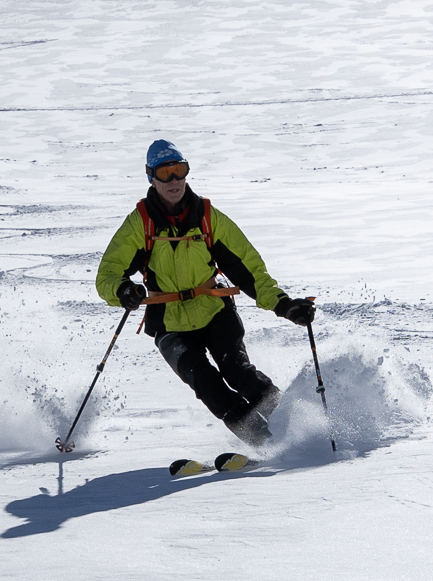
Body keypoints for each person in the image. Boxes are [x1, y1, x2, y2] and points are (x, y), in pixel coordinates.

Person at [93, 139, 315, 447]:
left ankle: (303, 427)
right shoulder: (139, 225)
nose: (174, 180)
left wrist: (283, 305)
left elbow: (249, 269)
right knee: (209, 387)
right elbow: (107, 274)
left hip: (214, 312)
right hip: (170, 325)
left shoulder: (208, 218)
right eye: (165, 172)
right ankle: (265, 444)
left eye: (179, 170)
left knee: (239, 373)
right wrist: (123, 291)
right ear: (151, 178)